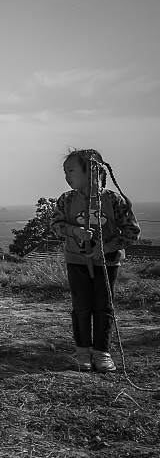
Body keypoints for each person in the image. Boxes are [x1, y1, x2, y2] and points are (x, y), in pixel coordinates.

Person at [49, 149, 139, 373]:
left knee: (103, 306)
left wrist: (106, 248)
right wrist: (74, 231)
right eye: (65, 172)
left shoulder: (114, 200)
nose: (66, 176)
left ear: (92, 171)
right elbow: (56, 225)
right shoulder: (67, 199)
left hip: (107, 263)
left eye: (71, 171)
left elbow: (131, 231)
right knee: (81, 306)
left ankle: (102, 352)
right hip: (76, 260)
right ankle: (82, 352)